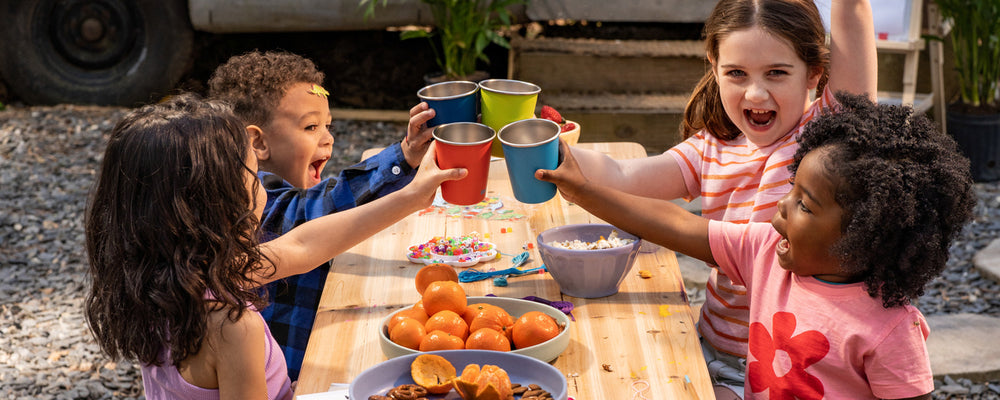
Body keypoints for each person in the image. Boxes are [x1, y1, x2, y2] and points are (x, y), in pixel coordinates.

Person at [538, 91, 975, 399]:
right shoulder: (767, 252)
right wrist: (584, 192)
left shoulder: (891, 330)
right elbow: (674, 222)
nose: (778, 209)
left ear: (864, 235)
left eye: (803, 204)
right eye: (791, 190)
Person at [558, 0, 877, 394]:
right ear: (714, 65)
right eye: (737, 73)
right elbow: (623, 175)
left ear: (814, 72)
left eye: (776, 73)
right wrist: (550, 149)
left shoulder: (833, 135)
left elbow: (854, 11)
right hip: (712, 349)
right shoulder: (711, 149)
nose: (755, 93)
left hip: (790, 371)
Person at [83, 94, 464, 398]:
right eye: (253, 174)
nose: (263, 184)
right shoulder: (232, 327)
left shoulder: (172, 280)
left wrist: (414, 196)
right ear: (221, 201)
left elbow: (301, 246)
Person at [207, 50, 438, 379]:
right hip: (289, 377)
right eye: (311, 127)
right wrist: (402, 158)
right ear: (257, 142)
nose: (328, 138)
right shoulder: (251, 203)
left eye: (327, 126)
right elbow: (314, 211)